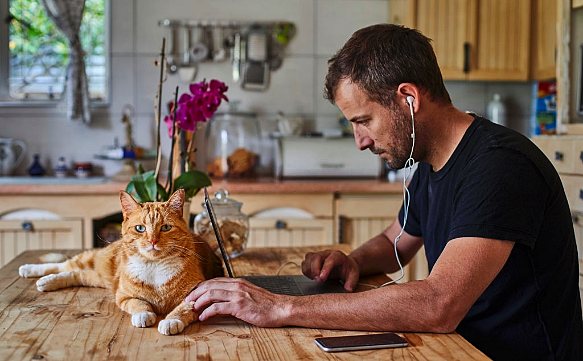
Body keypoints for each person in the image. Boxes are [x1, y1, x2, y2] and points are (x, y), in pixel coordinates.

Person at [186, 24, 583, 360]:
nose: (360, 141)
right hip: (456, 348)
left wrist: (281, 306)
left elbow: (439, 303)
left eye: (364, 121)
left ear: (408, 98)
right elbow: (395, 242)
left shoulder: (500, 166)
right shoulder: (430, 161)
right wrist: (351, 261)